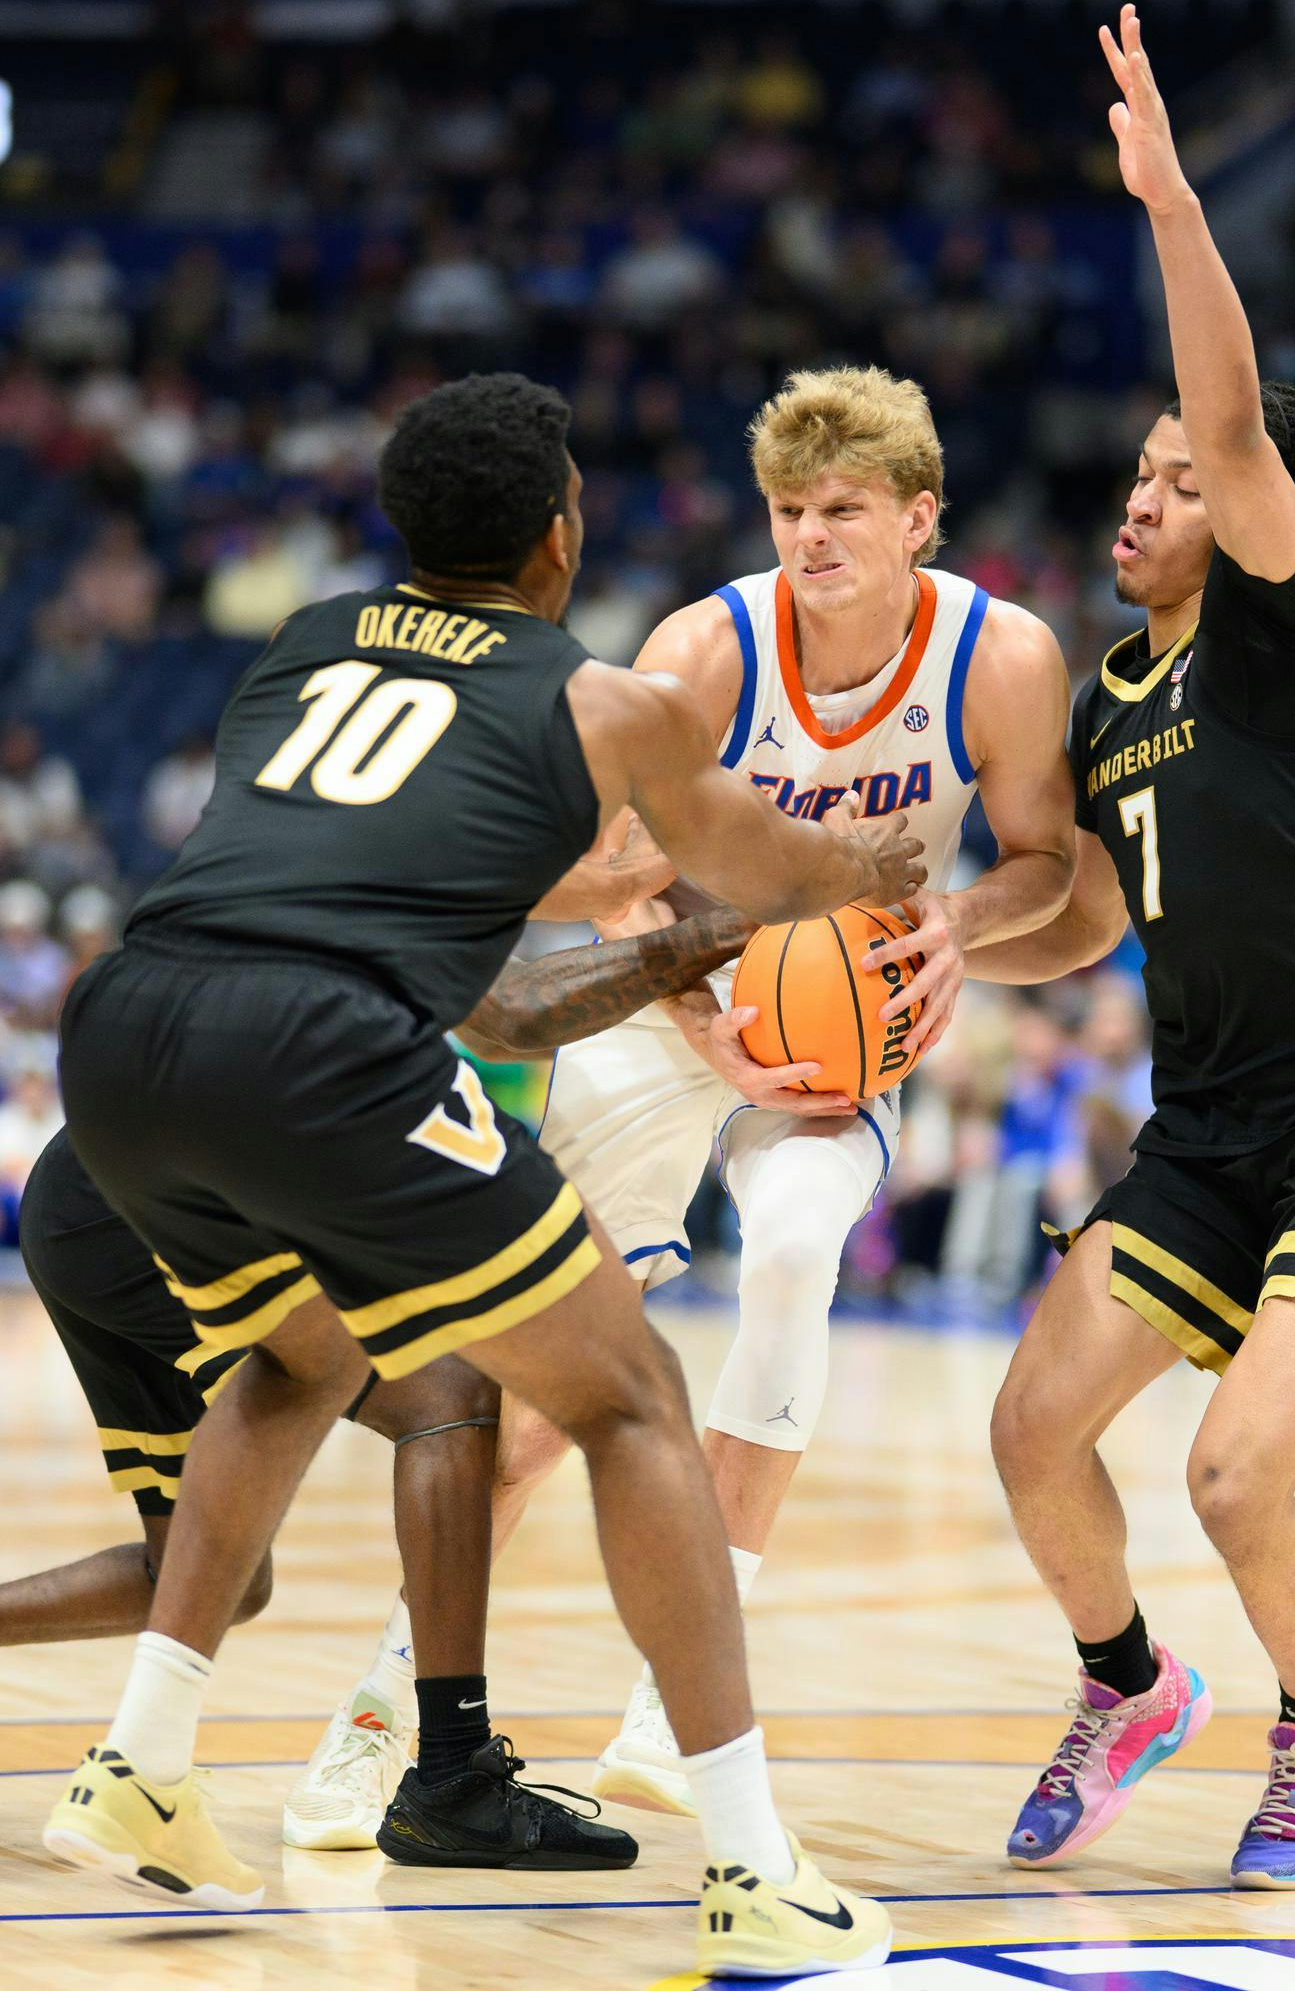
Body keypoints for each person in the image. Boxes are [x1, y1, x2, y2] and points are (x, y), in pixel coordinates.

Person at [46, 372, 923, 1981]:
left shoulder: (298, 648)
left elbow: (476, 977)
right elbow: (762, 862)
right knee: (635, 1402)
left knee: (295, 1358)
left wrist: (698, 931)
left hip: (123, 1034)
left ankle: (143, 1768)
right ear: (558, 538)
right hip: (317, 1052)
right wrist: (858, 873)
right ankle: (747, 1861)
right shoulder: (603, 703)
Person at [962, 5, 1295, 1892]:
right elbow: (1088, 918)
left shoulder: (1276, 633)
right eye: (1135, 473)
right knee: (1030, 1431)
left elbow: (1242, 413)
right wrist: (957, 938)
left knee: (1230, 1473)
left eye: (1174, 476)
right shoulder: (1105, 702)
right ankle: (1128, 1685)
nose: (1143, 492)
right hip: (1211, 1120)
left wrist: (1177, 204)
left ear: (1246, 509)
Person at [509, 362, 1076, 1815]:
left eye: (842, 510)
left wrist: (962, 926)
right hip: (661, 998)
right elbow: (583, 877)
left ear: (921, 520)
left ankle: (670, 1696)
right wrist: (698, 1006)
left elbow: (1046, 861)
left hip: (845, 1018)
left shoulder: (1002, 658)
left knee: (800, 1251)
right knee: (537, 1374)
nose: (808, 537)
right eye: (785, 510)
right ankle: (396, 1705)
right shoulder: (706, 650)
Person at [9, 901, 754, 1868]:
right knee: (449, 1397)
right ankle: (450, 1776)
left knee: (204, 1579)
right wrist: (716, 930)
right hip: (176, 1192)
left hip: (100, 1184)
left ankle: (211, 1766)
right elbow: (514, 1009)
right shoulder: (401, 863)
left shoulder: (305, 854)